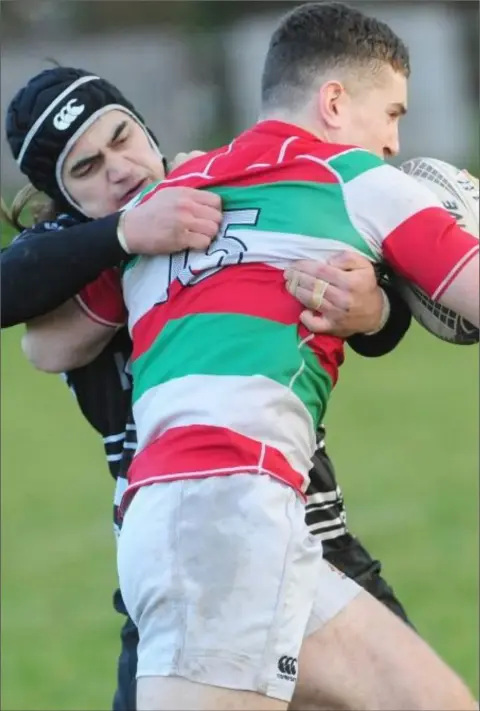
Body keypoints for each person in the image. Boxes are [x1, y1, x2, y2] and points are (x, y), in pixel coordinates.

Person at [5, 12, 478, 703]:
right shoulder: (114, 241)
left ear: (145, 126)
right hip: (210, 520)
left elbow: (349, 294)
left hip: (292, 524)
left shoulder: (203, 189)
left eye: (123, 137)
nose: (121, 168)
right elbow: (42, 341)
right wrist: (125, 234)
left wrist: (375, 303)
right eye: (88, 168)